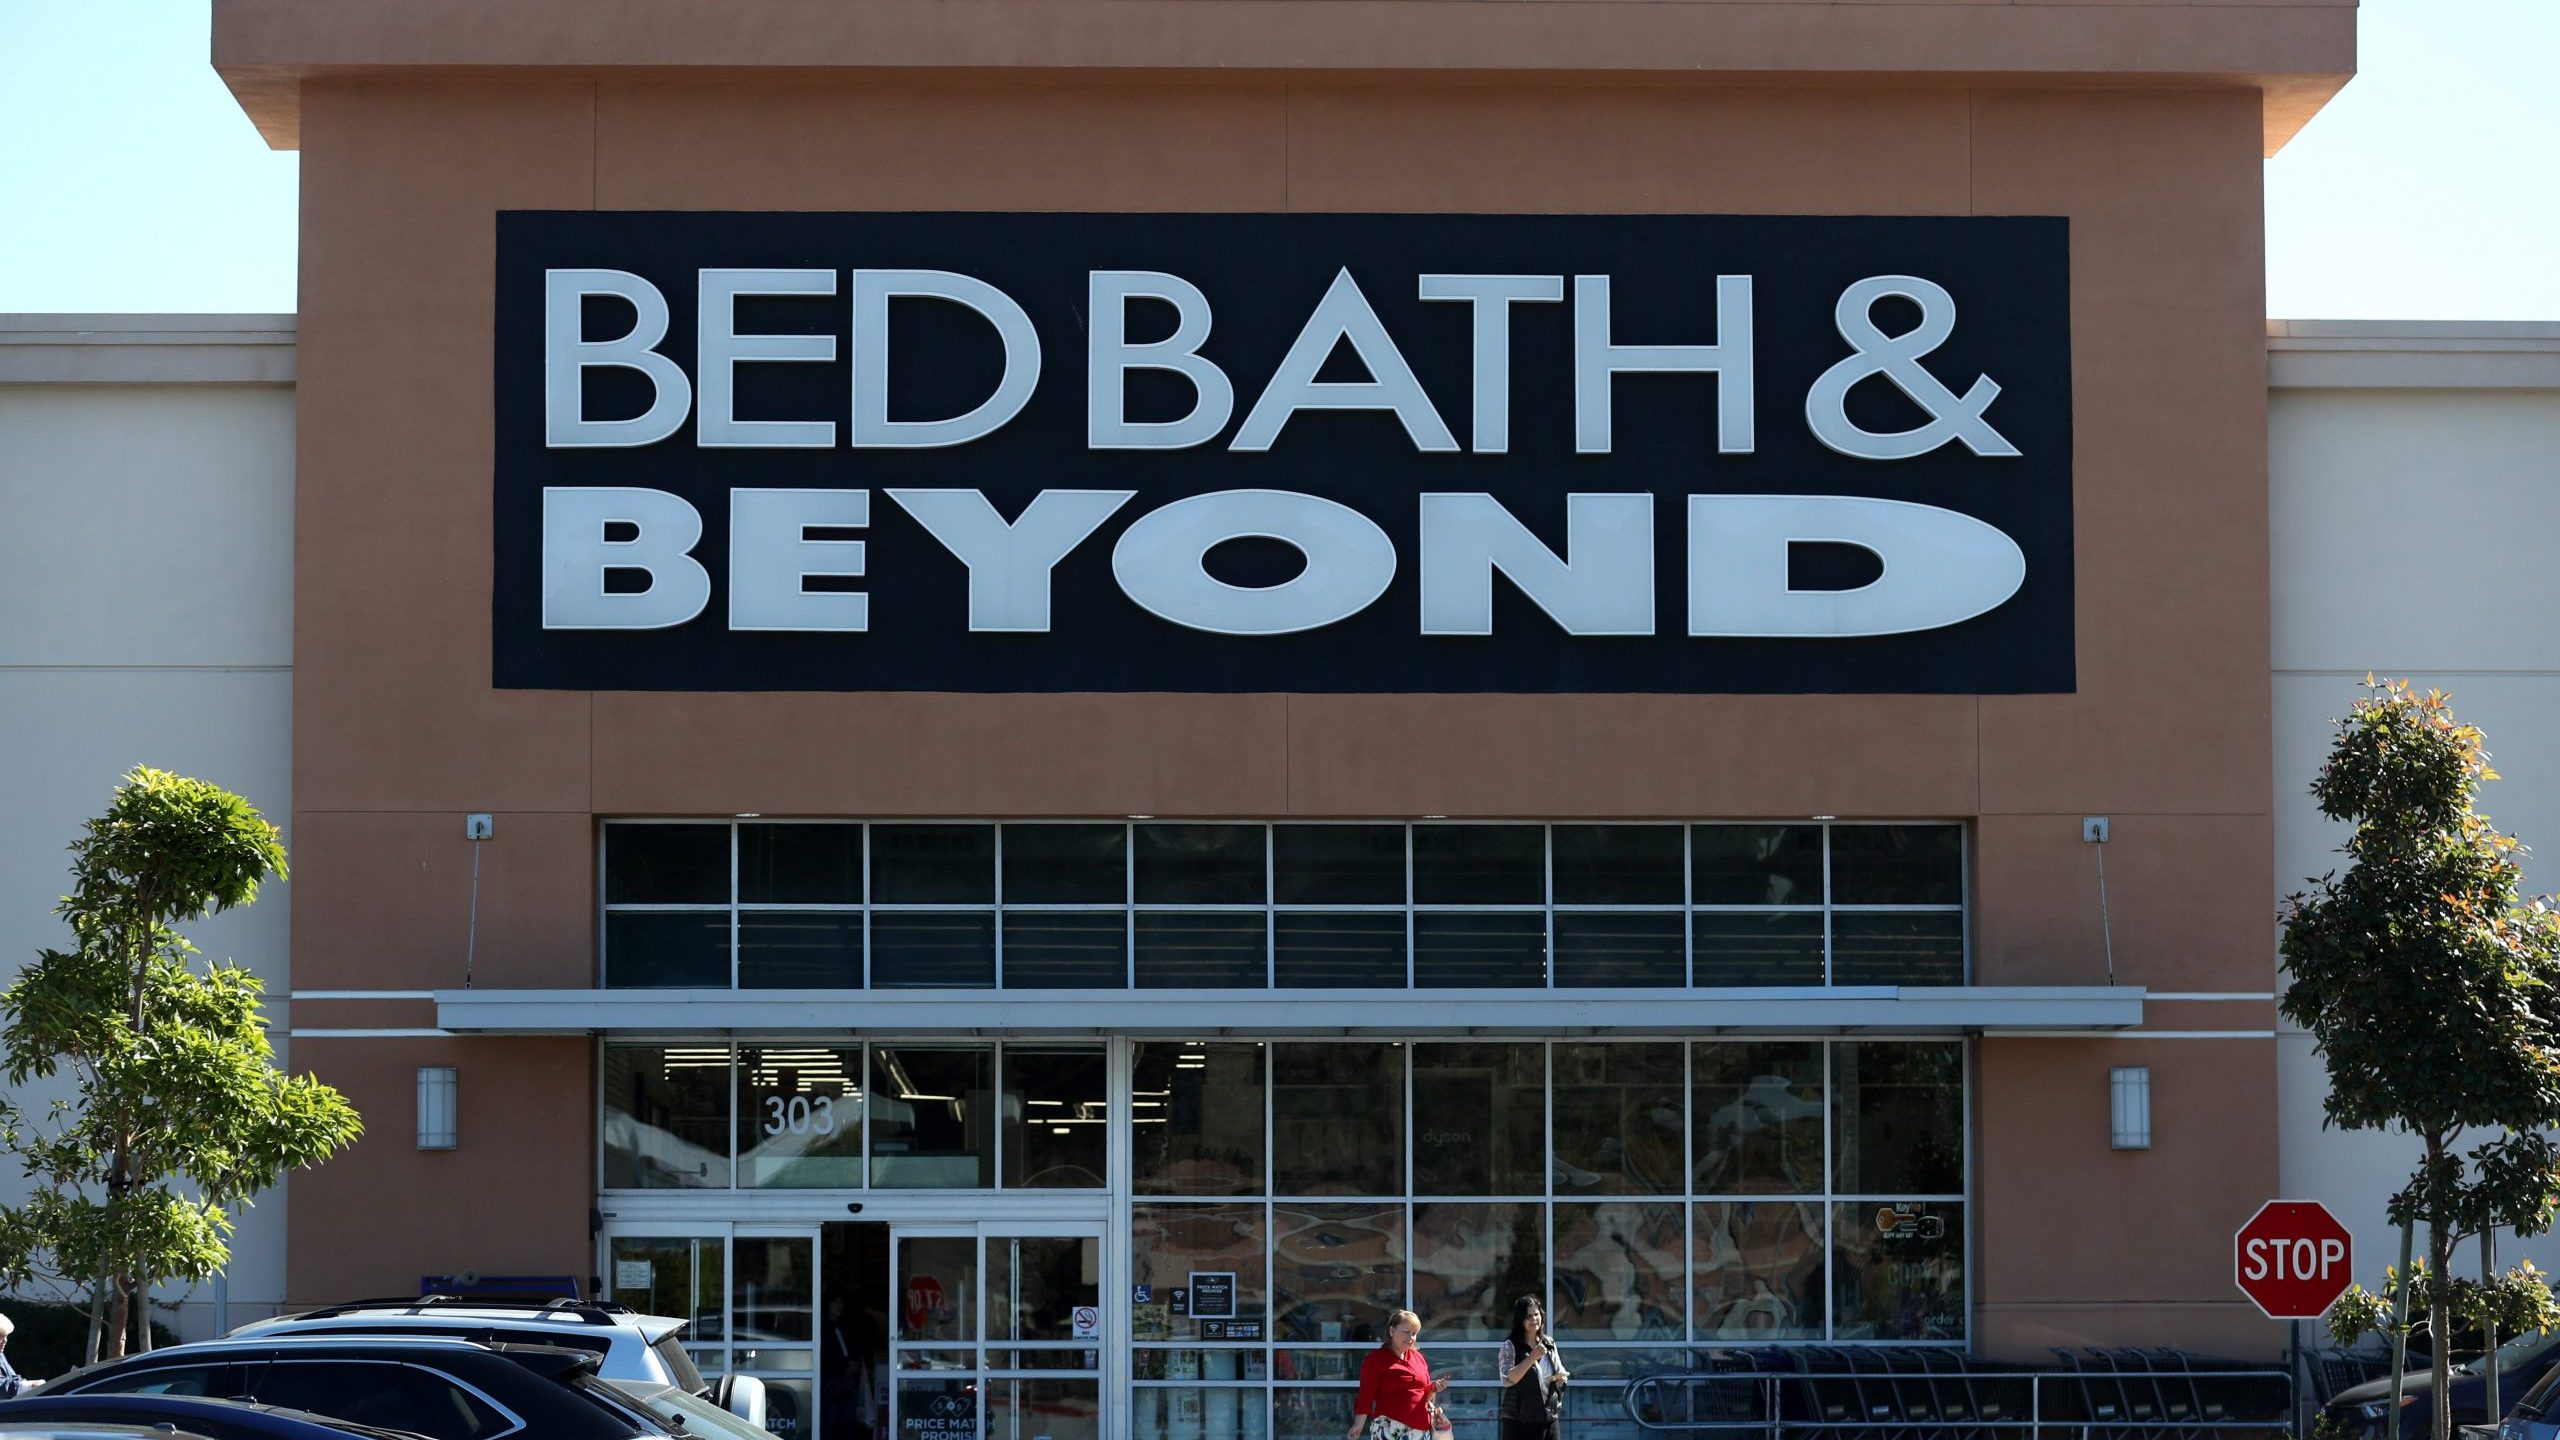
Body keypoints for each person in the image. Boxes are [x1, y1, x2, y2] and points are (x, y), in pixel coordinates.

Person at [1346, 1308, 1448, 1440]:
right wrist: (1358, 1425)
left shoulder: (1418, 1358)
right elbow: (1366, 1396)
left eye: (1414, 1333)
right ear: (1392, 1331)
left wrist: (1434, 1387)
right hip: (1390, 1428)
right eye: (1406, 1332)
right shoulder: (1375, 1359)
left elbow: (1425, 1394)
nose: (1411, 1338)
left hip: (1420, 1428)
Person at [1496, 1295, 1569, 1440]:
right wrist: (1532, 1357)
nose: (1534, 1319)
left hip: (1549, 1417)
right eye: (1528, 1316)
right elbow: (1509, 1378)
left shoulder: (1549, 1343)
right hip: (1520, 1420)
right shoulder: (1510, 1345)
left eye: (1536, 1314)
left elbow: (1560, 1371)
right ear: (1520, 1320)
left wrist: (1560, 1378)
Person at [0, 1311, 34, 1398]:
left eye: (6, 1336)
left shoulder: (0, 1355)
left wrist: (29, 1384)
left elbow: (13, 1378)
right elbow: (2, 1386)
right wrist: (26, 1386)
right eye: (1, 1336)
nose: (5, 1340)